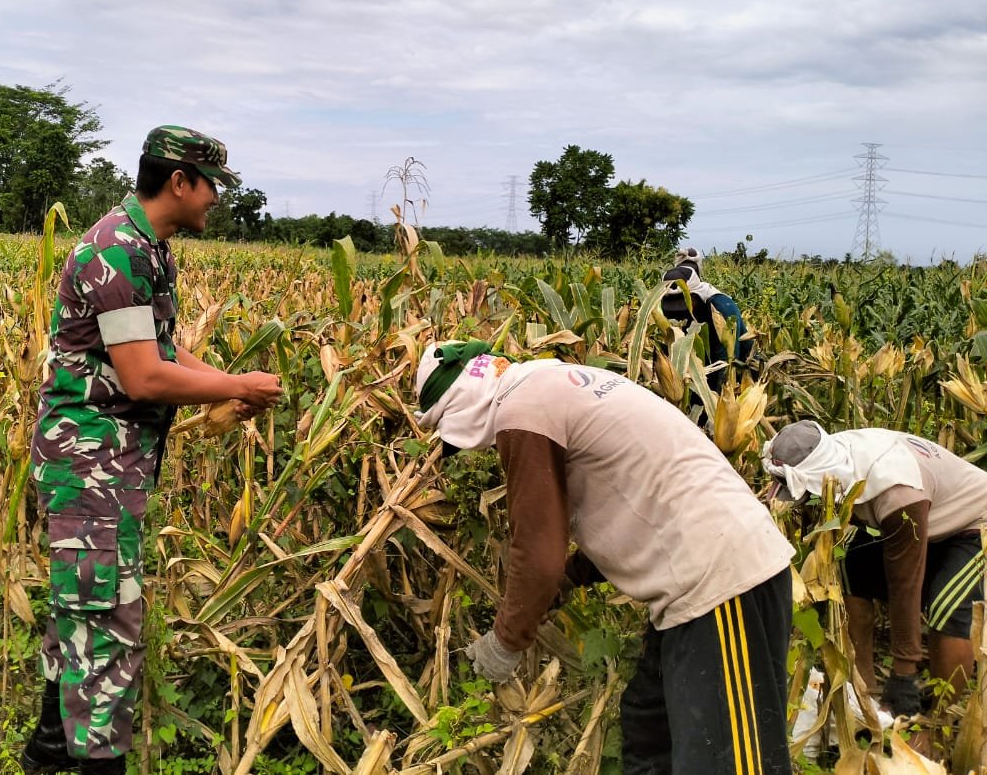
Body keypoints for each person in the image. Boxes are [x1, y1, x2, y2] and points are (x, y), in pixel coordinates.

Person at [21, 126, 284, 774]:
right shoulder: (116, 250)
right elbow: (142, 377)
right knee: (107, 621)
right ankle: (93, 759)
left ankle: (49, 747)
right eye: (212, 184)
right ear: (179, 181)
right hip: (87, 461)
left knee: (82, 601)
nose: (216, 198)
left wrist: (225, 383)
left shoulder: (151, 247)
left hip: (111, 461)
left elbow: (161, 349)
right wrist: (234, 384)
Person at [415, 340, 795, 775]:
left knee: (725, 762)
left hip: (719, 584)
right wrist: (572, 578)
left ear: (459, 406)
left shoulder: (521, 412)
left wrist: (504, 643)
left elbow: (537, 554)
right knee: (649, 724)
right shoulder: (549, 384)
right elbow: (636, 494)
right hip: (710, 573)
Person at [762, 421, 987, 716]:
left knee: (947, 606)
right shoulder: (829, 454)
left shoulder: (897, 492)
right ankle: (861, 690)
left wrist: (903, 673)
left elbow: (905, 583)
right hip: (933, 521)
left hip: (974, 524)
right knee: (850, 569)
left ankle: (936, 721)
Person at [660, 247, 751, 392]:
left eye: (683, 304)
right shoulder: (661, 303)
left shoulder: (721, 307)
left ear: (694, 294)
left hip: (737, 364)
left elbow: (727, 359)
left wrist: (715, 399)